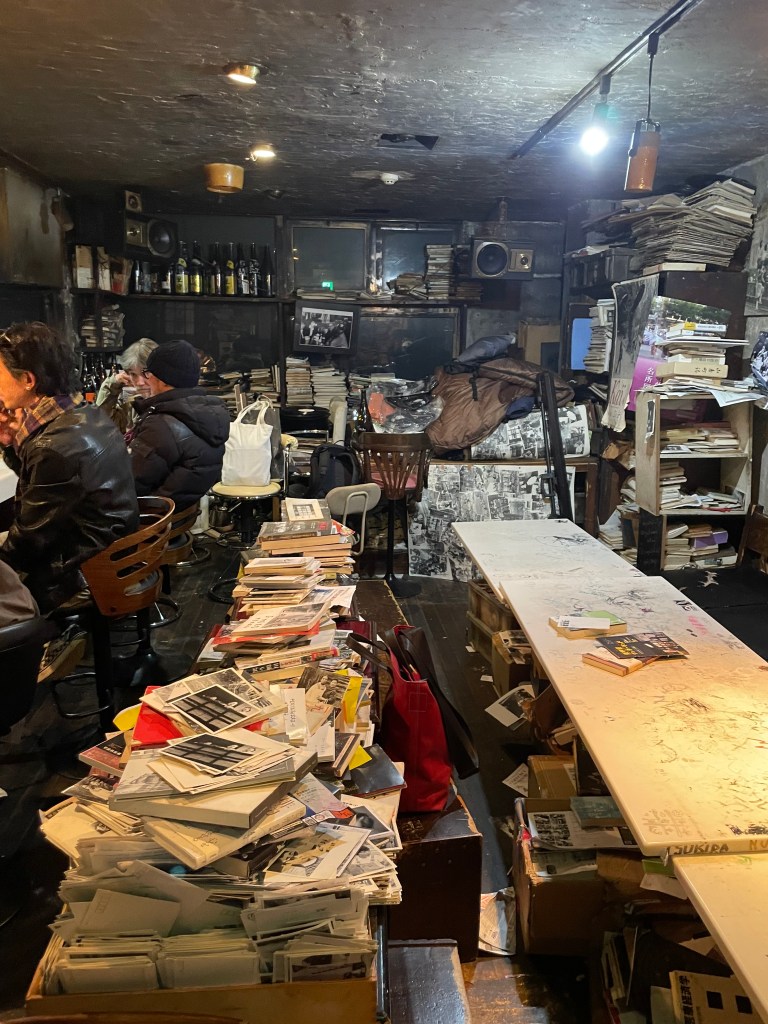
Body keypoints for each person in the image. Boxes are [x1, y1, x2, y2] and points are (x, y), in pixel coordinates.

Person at [0, 322, 139, 612]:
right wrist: (9, 441)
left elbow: (29, 541)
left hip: (82, 572)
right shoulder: (84, 413)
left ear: (27, 379)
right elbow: (40, 487)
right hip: (110, 550)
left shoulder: (53, 445)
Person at [130, 339, 230, 511]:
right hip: (180, 512)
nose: (145, 380)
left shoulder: (161, 424)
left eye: (148, 373)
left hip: (151, 518)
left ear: (163, 380)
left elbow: (131, 483)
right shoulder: (207, 414)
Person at [96, 337, 157, 435]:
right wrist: (112, 384)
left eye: (147, 372)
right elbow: (103, 423)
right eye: (134, 374)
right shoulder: (133, 403)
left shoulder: (170, 404)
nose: (140, 382)